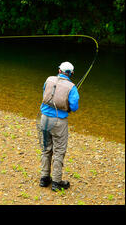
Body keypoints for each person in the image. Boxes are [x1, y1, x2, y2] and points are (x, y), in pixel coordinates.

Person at [39, 61, 79, 191]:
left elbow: (44, 93)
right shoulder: (72, 87)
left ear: (59, 70)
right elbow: (74, 107)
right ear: (71, 73)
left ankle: (44, 178)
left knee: (46, 148)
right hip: (59, 122)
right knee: (59, 151)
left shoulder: (49, 80)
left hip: (44, 118)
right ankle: (56, 181)